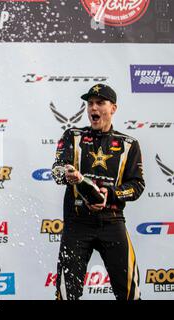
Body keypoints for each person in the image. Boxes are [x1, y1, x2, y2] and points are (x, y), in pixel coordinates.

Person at [51, 84, 145, 300]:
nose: (93, 107)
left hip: (112, 222)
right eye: (90, 103)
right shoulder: (72, 136)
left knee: (131, 293)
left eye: (100, 103)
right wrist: (67, 173)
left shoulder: (129, 145)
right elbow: (56, 171)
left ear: (113, 108)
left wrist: (110, 194)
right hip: (77, 225)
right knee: (66, 295)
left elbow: (137, 186)